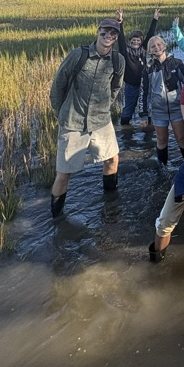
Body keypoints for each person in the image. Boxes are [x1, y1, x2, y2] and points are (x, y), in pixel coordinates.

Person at [49, 18, 126, 218]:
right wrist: (61, 112)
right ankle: (56, 218)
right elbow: (58, 85)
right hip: (72, 122)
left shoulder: (118, 60)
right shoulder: (78, 55)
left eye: (113, 33)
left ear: (116, 37)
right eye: (105, 31)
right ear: (98, 31)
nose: (109, 35)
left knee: (112, 159)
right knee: (63, 173)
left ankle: (111, 205)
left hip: (101, 121)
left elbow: (116, 87)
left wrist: (105, 107)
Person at [142, 35, 184, 164]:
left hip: (177, 108)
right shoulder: (148, 68)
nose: (156, 47)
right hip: (158, 110)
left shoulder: (177, 63)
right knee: (162, 140)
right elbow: (145, 92)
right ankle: (162, 168)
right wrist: (145, 114)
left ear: (164, 46)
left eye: (159, 44)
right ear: (149, 50)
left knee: (181, 138)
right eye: (153, 46)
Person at [116, 8, 159, 125]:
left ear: (141, 41)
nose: (136, 42)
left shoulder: (143, 50)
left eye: (138, 40)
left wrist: (155, 20)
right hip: (131, 85)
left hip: (144, 84)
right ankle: (125, 129)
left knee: (147, 108)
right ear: (130, 41)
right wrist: (120, 21)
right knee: (128, 110)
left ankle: (148, 129)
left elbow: (150, 34)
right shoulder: (125, 51)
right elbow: (120, 38)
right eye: (133, 40)